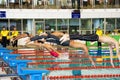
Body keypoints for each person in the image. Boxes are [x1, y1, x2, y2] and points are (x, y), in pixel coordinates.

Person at [26, 31, 96, 67]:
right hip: (62, 42)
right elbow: (87, 53)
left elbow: (87, 52)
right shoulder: (79, 44)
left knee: (49, 37)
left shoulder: (77, 43)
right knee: (48, 38)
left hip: (63, 42)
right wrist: (91, 60)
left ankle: (33, 38)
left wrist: (91, 59)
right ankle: (33, 38)